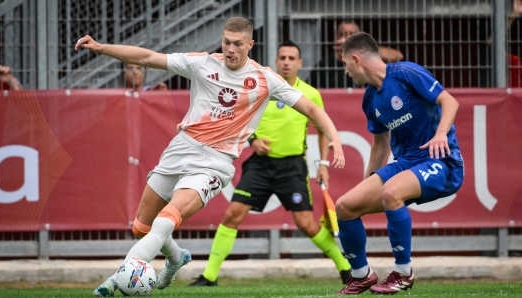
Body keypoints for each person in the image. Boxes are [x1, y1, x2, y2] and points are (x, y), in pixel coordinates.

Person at [74, 17, 345, 297]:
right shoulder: (202, 63)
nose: (230, 49)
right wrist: (100, 47)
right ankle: (177, 258)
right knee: (141, 227)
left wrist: (335, 139)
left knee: (167, 219)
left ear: (250, 44)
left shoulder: (265, 79)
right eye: (226, 42)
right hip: (181, 148)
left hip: (214, 162)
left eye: (237, 44)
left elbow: (312, 110)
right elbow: (146, 56)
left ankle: (119, 277)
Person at [188, 41, 352, 287]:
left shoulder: (310, 94)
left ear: (299, 63)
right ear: (276, 62)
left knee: (307, 224)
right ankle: (209, 276)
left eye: (291, 58)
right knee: (233, 214)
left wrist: (323, 164)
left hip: (293, 167)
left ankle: (346, 269)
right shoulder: (259, 88)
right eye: (282, 57)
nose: (286, 62)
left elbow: (321, 130)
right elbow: (238, 118)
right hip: (260, 166)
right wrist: (253, 141)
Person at [333, 32, 463, 295]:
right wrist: (369, 181)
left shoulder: (406, 73)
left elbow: (450, 101)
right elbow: (380, 144)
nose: (346, 71)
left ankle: (404, 272)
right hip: (406, 163)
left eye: (346, 64)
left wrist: (440, 134)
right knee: (345, 206)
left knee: (392, 192)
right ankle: (361, 275)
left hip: (441, 160)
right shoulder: (370, 99)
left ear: (356, 60)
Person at [309, 21, 404, 88]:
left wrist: (364, 50)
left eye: (352, 34)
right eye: (342, 34)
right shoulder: (325, 64)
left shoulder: (367, 58)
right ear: (337, 37)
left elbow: (398, 56)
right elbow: (309, 87)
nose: (347, 38)